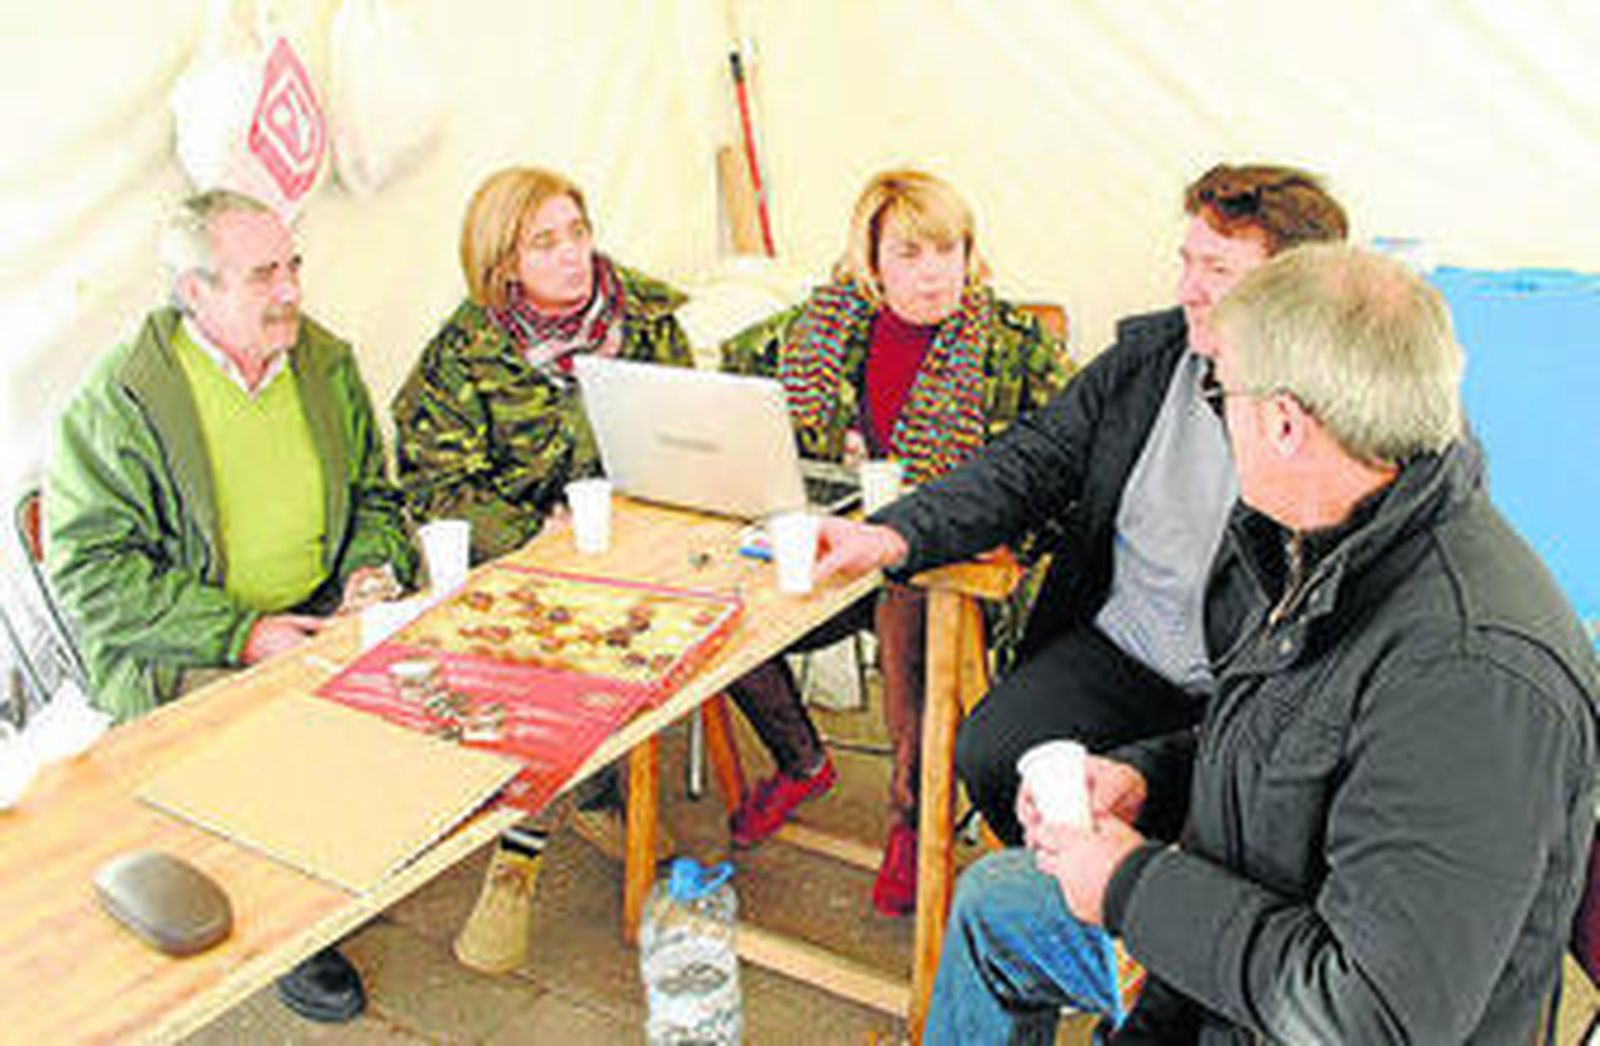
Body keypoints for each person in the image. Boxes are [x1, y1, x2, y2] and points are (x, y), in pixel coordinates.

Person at [925, 244, 1600, 1043]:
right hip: (1235, 932)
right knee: (993, 905)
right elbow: (1292, 741)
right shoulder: (1328, 540)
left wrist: (1131, 886)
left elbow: (1369, 1019)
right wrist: (1147, 779)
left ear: (1283, 422)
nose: (1215, 414)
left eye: (1219, 391)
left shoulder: (1471, 675)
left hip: (1279, 1010)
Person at [812, 163, 1349, 848]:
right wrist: (892, 536)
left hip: (1243, 685)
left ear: (1294, 290)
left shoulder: (1337, 414)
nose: (1187, 291)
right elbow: (1028, 461)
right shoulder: (1148, 360)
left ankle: (1144, 912)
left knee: (1222, 821)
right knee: (993, 754)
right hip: (1122, 648)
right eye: (1186, 263)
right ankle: (1073, 909)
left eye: (1216, 270)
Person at [45, 189, 418, 1024]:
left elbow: (374, 497)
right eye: (262, 276)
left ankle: (342, 861)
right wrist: (242, 634)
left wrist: (367, 575)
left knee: (445, 686)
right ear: (195, 291)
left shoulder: (323, 361)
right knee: (272, 736)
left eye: (292, 267)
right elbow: (92, 575)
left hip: (320, 608)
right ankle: (292, 933)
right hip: (187, 644)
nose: (289, 291)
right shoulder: (123, 400)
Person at [718, 169, 1070, 915]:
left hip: (956, 562)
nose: (936, 271)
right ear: (870, 262)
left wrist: (1015, 537)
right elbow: (733, 388)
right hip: (844, 542)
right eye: (910, 254)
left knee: (908, 603)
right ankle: (801, 760)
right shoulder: (829, 327)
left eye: (949, 249)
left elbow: (1078, 459)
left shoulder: (1009, 343)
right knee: (720, 592)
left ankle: (913, 817)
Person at [391, 165, 693, 975]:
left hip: (645, 541)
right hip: (529, 563)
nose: (571, 256)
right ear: (503, 262)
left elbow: (693, 433)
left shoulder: (650, 318)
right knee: (559, 637)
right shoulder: (465, 352)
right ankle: (527, 845)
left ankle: (560, 813)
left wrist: (644, 513)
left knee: (627, 619)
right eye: (544, 242)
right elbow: (430, 480)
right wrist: (534, 532)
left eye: (578, 232)